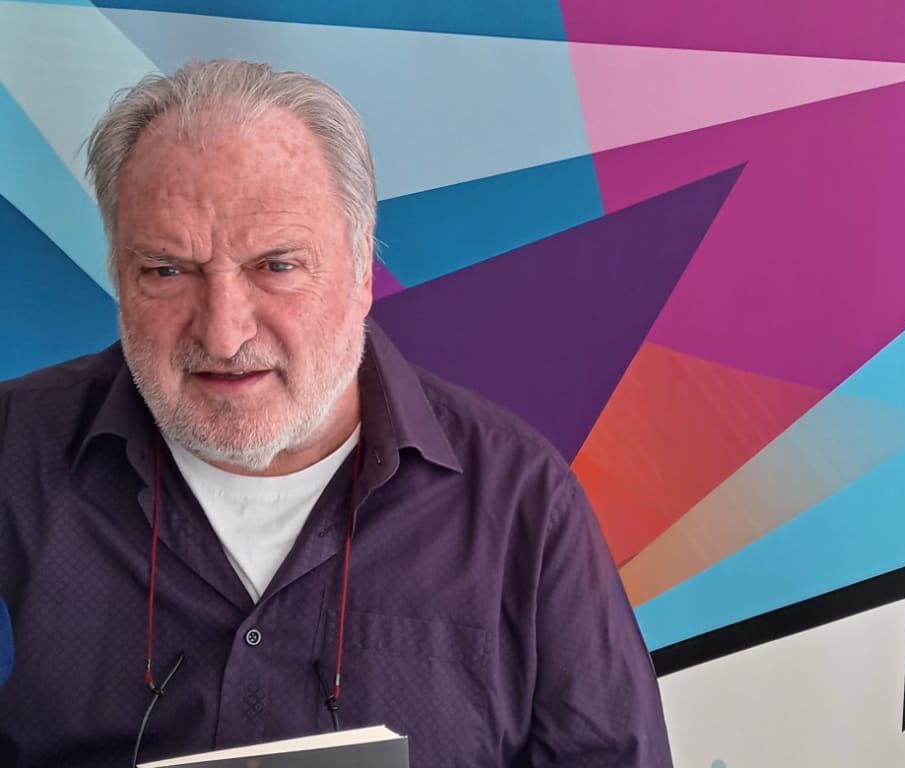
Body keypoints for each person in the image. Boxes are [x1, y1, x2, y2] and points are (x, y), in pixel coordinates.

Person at [0, 60, 672, 767]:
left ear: (361, 273)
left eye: (276, 266)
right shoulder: (13, 457)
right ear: (118, 273)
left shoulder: (520, 505)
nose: (223, 334)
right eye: (168, 270)